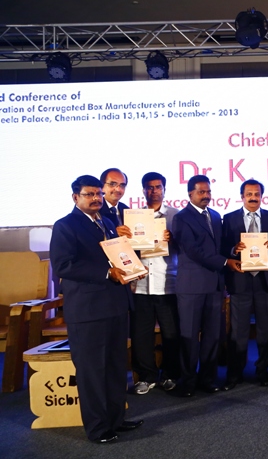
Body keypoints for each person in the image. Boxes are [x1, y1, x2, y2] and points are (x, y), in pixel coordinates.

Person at [50, 175, 143, 444]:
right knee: (91, 371)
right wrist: (106, 273)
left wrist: (131, 269)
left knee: (115, 367)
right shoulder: (65, 226)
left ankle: (116, 419)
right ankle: (97, 428)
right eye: (89, 194)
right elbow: (64, 265)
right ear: (75, 197)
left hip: (115, 305)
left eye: (98, 194)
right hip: (88, 310)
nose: (95, 199)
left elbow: (118, 257)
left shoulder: (108, 223)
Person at [172, 175, 242, 396]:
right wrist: (225, 262)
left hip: (214, 285)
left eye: (208, 191)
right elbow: (194, 251)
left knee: (212, 336)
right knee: (190, 337)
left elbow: (219, 247)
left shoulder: (215, 215)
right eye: (201, 192)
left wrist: (233, 251)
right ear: (190, 193)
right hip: (191, 287)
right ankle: (187, 383)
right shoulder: (181, 218)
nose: (206, 196)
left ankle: (208, 379)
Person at [222, 179, 268, 389]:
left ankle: (263, 371)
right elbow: (222, 248)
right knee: (238, 331)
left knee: (265, 330)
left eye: (257, 194)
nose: (253, 198)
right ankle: (235, 373)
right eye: (249, 194)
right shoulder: (229, 218)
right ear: (242, 196)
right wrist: (234, 249)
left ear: (262, 196)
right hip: (240, 279)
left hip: (265, 281)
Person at [121, 172, 181, 394]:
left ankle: (170, 375)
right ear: (143, 190)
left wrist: (174, 239)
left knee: (171, 333)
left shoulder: (176, 216)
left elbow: (187, 247)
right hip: (141, 284)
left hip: (168, 282)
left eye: (158, 187)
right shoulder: (132, 217)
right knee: (141, 334)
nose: (153, 191)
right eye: (149, 187)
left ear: (164, 189)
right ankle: (146, 377)